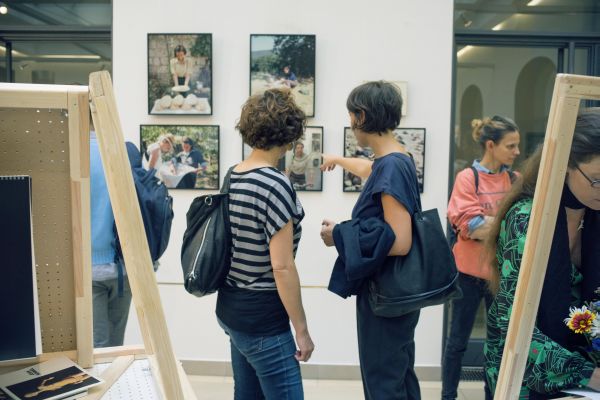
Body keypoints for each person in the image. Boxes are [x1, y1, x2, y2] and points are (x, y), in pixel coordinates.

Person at [484, 110, 600, 399]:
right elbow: (514, 324)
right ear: (566, 165)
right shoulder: (527, 220)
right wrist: (586, 372)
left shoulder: (594, 214)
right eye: (597, 179)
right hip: (523, 372)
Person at [320, 81, 421, 399]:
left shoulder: (391, 166)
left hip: (386, 296)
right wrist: (340, 158)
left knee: (384, 383)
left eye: (351, 116)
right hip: (396, 296)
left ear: (360, 117)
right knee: (399, 375)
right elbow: (372, 169)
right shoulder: (397, 158)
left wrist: (338, 234)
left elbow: (400, 240)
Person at [216, 88, 314, 399]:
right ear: (289, 135)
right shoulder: (275, 183)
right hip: (263, 320)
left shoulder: (233, 175)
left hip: (232, 309)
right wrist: (302, 331)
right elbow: (282, 266)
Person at [442, 116, 521, 400]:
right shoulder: (467, 178)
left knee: (498, 343)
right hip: (468, 274)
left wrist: (487, 222)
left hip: (501, 274)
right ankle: (448, 396)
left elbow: (523, 223)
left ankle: (493, 395)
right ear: (491, 145)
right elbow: (470, 226)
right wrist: (503, 222)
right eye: (510, 146)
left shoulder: (515, 179)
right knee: (457, 342)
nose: (517, 152)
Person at [90, 126, 132, 348]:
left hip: (88, 268)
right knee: (116, 346)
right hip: (124, 267)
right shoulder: (124, 152)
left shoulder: (71, 153)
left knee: (97, 347)